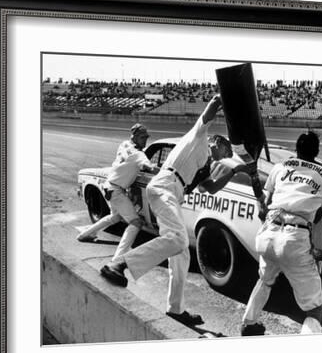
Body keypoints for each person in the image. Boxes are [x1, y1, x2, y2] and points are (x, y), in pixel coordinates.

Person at [99, 95, 249, 326]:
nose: (225, 157)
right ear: (217, 142)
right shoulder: (198, 137)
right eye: (226, 152)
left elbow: (211, 188)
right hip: (165, 185)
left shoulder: (206, 165)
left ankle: (175, 309)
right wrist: (224, 99)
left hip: (172, 193)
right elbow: (211, 107)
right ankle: (119, 264)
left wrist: (233, 172)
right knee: (179, 240)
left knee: (181, 255)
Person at [241, 131, 322, 336]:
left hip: (268, 233)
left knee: (265, 280)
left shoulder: (279, 167)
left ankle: (248, 324)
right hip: (294, 238)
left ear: (296, 149)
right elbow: (318, 216)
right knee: (316, 309)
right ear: (317, 152)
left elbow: (264, 206)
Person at [76, 123, 157, 261]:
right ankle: (118, 258)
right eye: (143, 137)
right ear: (135, 137)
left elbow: (132, 160)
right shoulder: (138, 154)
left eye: (146, 137)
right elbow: (148, 167)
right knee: (136, 223)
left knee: (115, 217)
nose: (145, 140)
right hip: (116, 190)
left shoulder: (124, 144)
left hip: (110, 186)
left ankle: (85, 235)